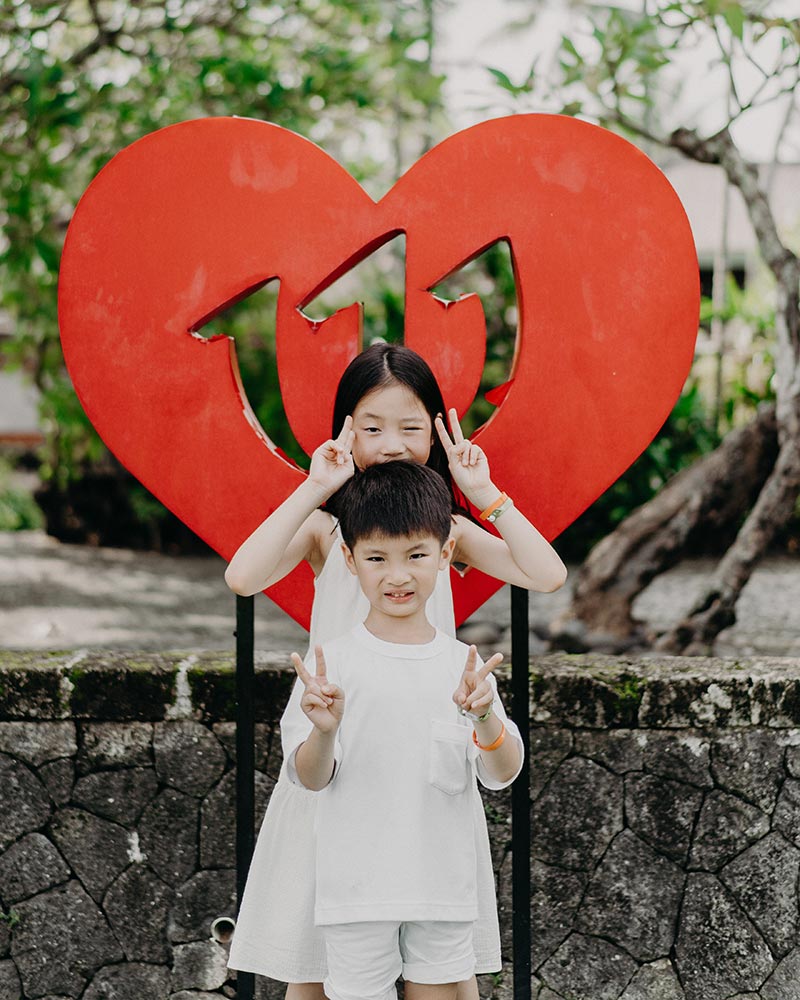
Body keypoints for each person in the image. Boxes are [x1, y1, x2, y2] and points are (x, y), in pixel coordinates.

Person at [226, 343, 566, 996]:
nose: (390, 443)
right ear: (344, 429)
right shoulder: (329, 529)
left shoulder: (445, 532)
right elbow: (242, 577)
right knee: (318, 969)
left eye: (410, 427)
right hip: (336, 748)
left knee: (442, 969)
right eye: (371, 427)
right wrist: (313, 486)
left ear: (437, 429)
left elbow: (546, 576)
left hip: (424, 765)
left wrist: (484, 495)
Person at [282, 460, 523, 1000]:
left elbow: (503, 773)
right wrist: (323, 731)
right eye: (377, 558)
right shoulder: (331, 667)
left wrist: (484, 716)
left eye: (416, 555)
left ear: (444, 555)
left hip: (441, 888)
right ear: (349, 560)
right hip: (354, 893)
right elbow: (310, 778)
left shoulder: (463, 665)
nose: (398, 575)